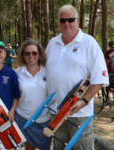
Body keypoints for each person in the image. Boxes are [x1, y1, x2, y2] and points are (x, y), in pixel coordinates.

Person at [45, 5, 109, 150]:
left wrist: (84, 101)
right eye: (63, 20)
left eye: (70, 19)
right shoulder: (52, 43)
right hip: (56, 112)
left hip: (79, 111)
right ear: (59, 22)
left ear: (77, 20)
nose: (66, 23)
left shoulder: (89, 42)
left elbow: (99, 78)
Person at [14, 38, 52, 150]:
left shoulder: (48, 71)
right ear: (23, 55)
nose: (31, 56)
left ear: (39, 54)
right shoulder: (17, 73)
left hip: (45, 120)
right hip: (24, 118)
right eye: (27, 53)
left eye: (34, 53)